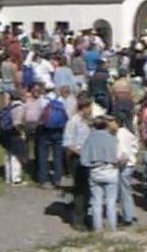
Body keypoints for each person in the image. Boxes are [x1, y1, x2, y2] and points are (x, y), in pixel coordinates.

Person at [80, 114, 120, 232]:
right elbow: (117, 156)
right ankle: (112, 228)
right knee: (111, 202)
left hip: (95, 171)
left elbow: (84, 161)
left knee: (96, 202)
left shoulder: (89, 139)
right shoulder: (112, 138)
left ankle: (98, 229)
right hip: (110, 170)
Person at [63, 97, 94, 231]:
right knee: (80, 190)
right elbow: (68, 144)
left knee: (88, 189)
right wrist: (81, 153)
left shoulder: (88, 122)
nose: (91, 110)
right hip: (77, 158)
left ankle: (86, 215)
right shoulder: (73, 122)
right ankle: (78, 220)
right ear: (84, 108)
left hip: (88, 158)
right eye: (89, 108)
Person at [37, 94, 68, 188]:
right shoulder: (61, 102)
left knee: (43, 156)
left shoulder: (43, 101)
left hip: (45, 131)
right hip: (59, 131)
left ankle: (43, 180)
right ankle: (57, 179)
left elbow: (40, 119)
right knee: (57, 156)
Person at [0, 91, 27, 185]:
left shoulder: (8, 107)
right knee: (16, 156)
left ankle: (8, 177)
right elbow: (17, 124)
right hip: (15, 134)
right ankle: (16, 179)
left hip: (6, 134)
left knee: (8, 156)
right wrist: (22, 133)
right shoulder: (20, 107)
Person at [114, 113, 139, 226]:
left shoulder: (119, 134)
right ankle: (129, 214)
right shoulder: (128, 132)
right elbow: (135, 146)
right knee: (126, 190)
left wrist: (121, 159)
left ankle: (127, 217)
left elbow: (122, 151)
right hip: (130, 164)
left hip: (123, 165)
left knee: (124, 191)